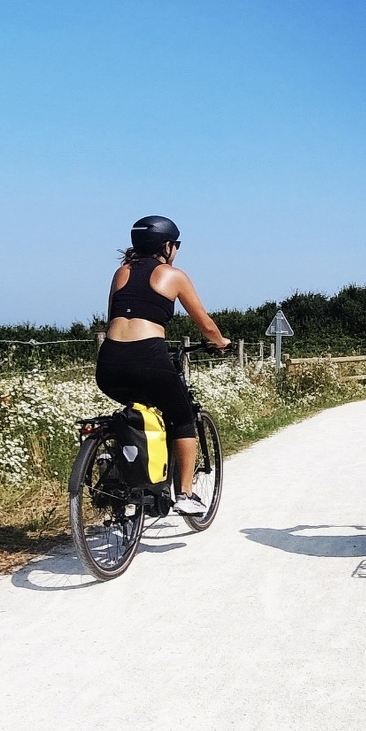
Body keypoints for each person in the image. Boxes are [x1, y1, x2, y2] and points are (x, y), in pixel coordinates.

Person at [96, 215, 231, 515]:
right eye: (177, 244)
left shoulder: (121, 273)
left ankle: (120, 466)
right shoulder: (174, 275)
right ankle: (185, 494)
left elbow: (112, 316)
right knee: (181, 417)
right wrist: (221, 342)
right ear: (166, 246)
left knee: (137, 410)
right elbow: (206, 325)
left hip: (109, 362)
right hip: (148, 357)